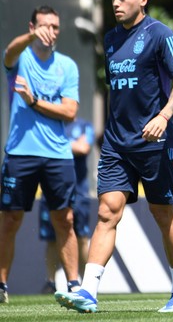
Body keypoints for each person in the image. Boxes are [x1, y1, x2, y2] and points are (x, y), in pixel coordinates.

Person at [54, 0, 173, 313]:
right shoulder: (112, 39)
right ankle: (88, 292)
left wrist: (163, 117)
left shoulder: (161, 35)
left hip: (154, 142)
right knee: (106, 212)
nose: (116, 3)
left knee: (163, 215)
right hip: (117, 144)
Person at [0, 6, 81, 304]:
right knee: (9, 220)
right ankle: (1, 285)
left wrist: (33, 102)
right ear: (32, 27)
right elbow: (8, 51)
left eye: (56, 27)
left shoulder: (68, 66)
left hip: (58, 155)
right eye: (45, 26)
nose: (51, 31)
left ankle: (74, 285)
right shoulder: (20, 59)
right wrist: (30, 36)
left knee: (65, 219)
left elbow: (70, 111)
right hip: (20, 154)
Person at [39, 118, 94, 293]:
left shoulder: (85, 126)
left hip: (79, 192)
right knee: (52, 239)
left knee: (81, 238)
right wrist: (71, 145)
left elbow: (84, 148)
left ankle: (86, 284)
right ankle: (50, 282)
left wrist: (54, 144)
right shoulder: (47, 124)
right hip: (51, 190)